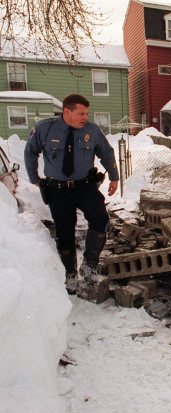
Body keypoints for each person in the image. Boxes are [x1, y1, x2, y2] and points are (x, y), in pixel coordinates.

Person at [24, 93, 119, 289]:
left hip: (85, 186)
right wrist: (34, 178)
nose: (85, 117)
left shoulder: (91, 131)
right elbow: (30, 151)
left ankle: (89, 265)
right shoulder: (45, 128)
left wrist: (114, 176)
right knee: (64, 231)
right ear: (67, 111)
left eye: (87, 113)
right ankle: (70, 273)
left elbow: (106, 152)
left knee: (101, 220)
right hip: (58, 190)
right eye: (81, 113)